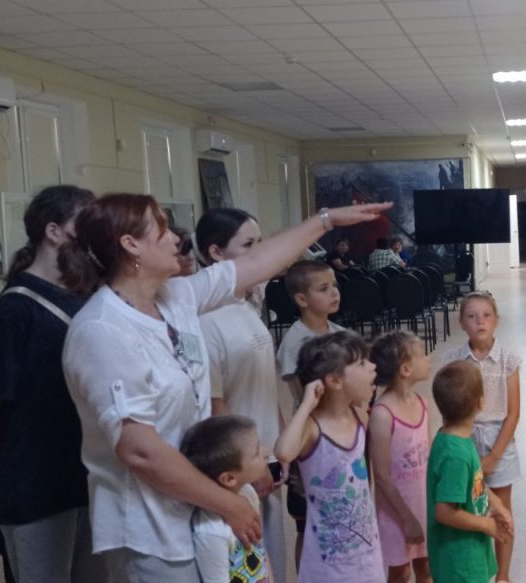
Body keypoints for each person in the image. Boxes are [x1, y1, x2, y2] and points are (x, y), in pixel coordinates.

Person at [60, 194, 389, 581]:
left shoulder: (176, 298)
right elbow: (140, 451)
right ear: (131, 245)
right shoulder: (102, 330)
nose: (176, 239)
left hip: (206, 505)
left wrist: (326, 220)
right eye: (162, 230)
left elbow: (255, 263)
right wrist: (227, 504)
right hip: (153, 528)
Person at [0, 185, 102, 583]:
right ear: (53, 231)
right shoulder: (13, 311)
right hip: (33, 486)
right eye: (85, 226)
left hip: (84, 474)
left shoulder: (83, 296)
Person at [196, 207, 286, 583]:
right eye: (248, 244)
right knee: (251, 568)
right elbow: (215, 404)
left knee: (274, 564)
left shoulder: (245, 303)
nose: (259, 252)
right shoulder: (204, 317)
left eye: (260, 242)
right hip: (243, 465)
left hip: (266, 453)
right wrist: (253, 465)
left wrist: (281, 443)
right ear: (216, 253)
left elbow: (264, 381)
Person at [274, 331, 384, 582]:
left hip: (366, 549)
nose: (372, 366)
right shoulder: (312, 427)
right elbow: (284, 451)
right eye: (362, 363)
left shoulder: (360, 418)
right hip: (328, 562)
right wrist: (306, 405)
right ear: (334, 380)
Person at [439, 290, 521, 583]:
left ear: (496, 320)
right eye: (472, 317)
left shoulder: (508, 361)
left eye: (486, 315)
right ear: (462, 323)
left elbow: (513, 413)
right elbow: (448, 407)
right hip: (465, 438)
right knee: (470, 505)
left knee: (502, 508)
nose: (480, 322)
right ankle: (475, 567)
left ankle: (503, 575)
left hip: (500, 441)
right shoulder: (453, 361)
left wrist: (495, 456)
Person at [274, 259, 347, 568]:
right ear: (302, 299)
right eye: (324, 288)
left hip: (342, 429)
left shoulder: (341, 334)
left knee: (339, 506)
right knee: (308, 519)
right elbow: (300, 394)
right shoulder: (295, 341)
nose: (334, 293)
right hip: (311, 434)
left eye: (335, 286)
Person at [426, 360, 513, 583]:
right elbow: (445, 511)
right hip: (459, 563)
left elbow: (473, 482)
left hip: (470, 553)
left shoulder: (456, 439)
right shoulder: (455, 455)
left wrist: (495, 502)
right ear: (480, 403)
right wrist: (486, 524)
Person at [369, 331, 432, 583]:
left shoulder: (422, 402)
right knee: (400, 572)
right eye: (422, 355)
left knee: (427, 568)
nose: (428, 359)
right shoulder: (382, 414)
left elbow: (429, 453)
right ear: (405, 369)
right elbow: (381, 475)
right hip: (396, 512)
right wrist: (406, 518)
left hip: (423, 504)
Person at [181, 415, 273, 583]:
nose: (266, 452)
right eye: (256, 453)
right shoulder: (212, 531)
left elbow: (260, 548)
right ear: (229, 478)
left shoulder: (247, 492)